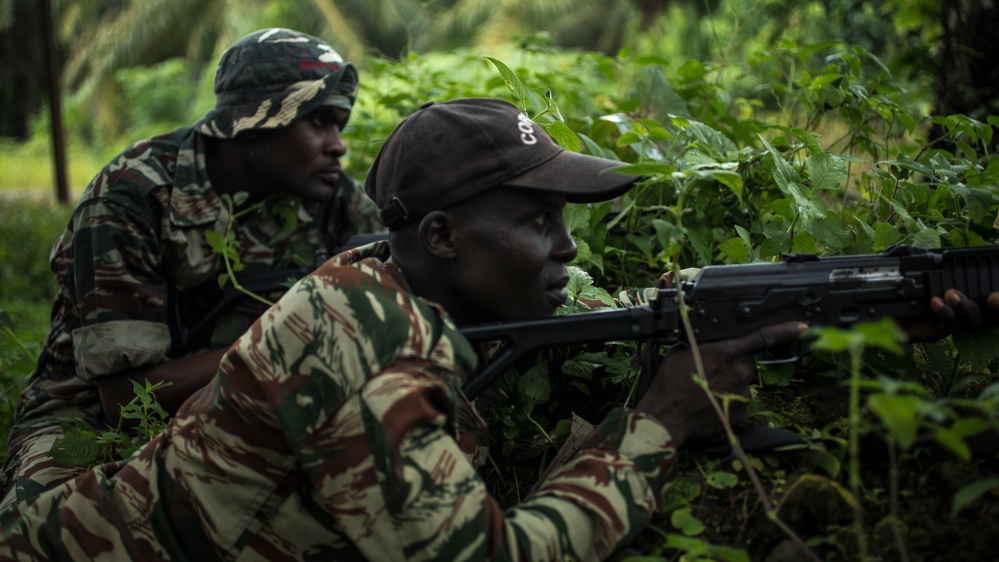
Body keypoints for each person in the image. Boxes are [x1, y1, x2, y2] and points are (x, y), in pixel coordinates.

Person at [0, 99, 993, 562]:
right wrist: (655, 425)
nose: (565, 246)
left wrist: (858, 322)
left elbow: (637, 319)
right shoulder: (362, 342)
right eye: (536, 220)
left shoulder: (431, 291)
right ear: (440, 235)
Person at [0, 27, 381, 511]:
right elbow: (123, 397)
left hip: (254, 404)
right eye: (318, 122)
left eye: (340, 125)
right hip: (90, 420)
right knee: (47, 526)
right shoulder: (136, 194)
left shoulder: (333, 199)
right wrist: (290, 335)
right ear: (252, 121)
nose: (338, 145)